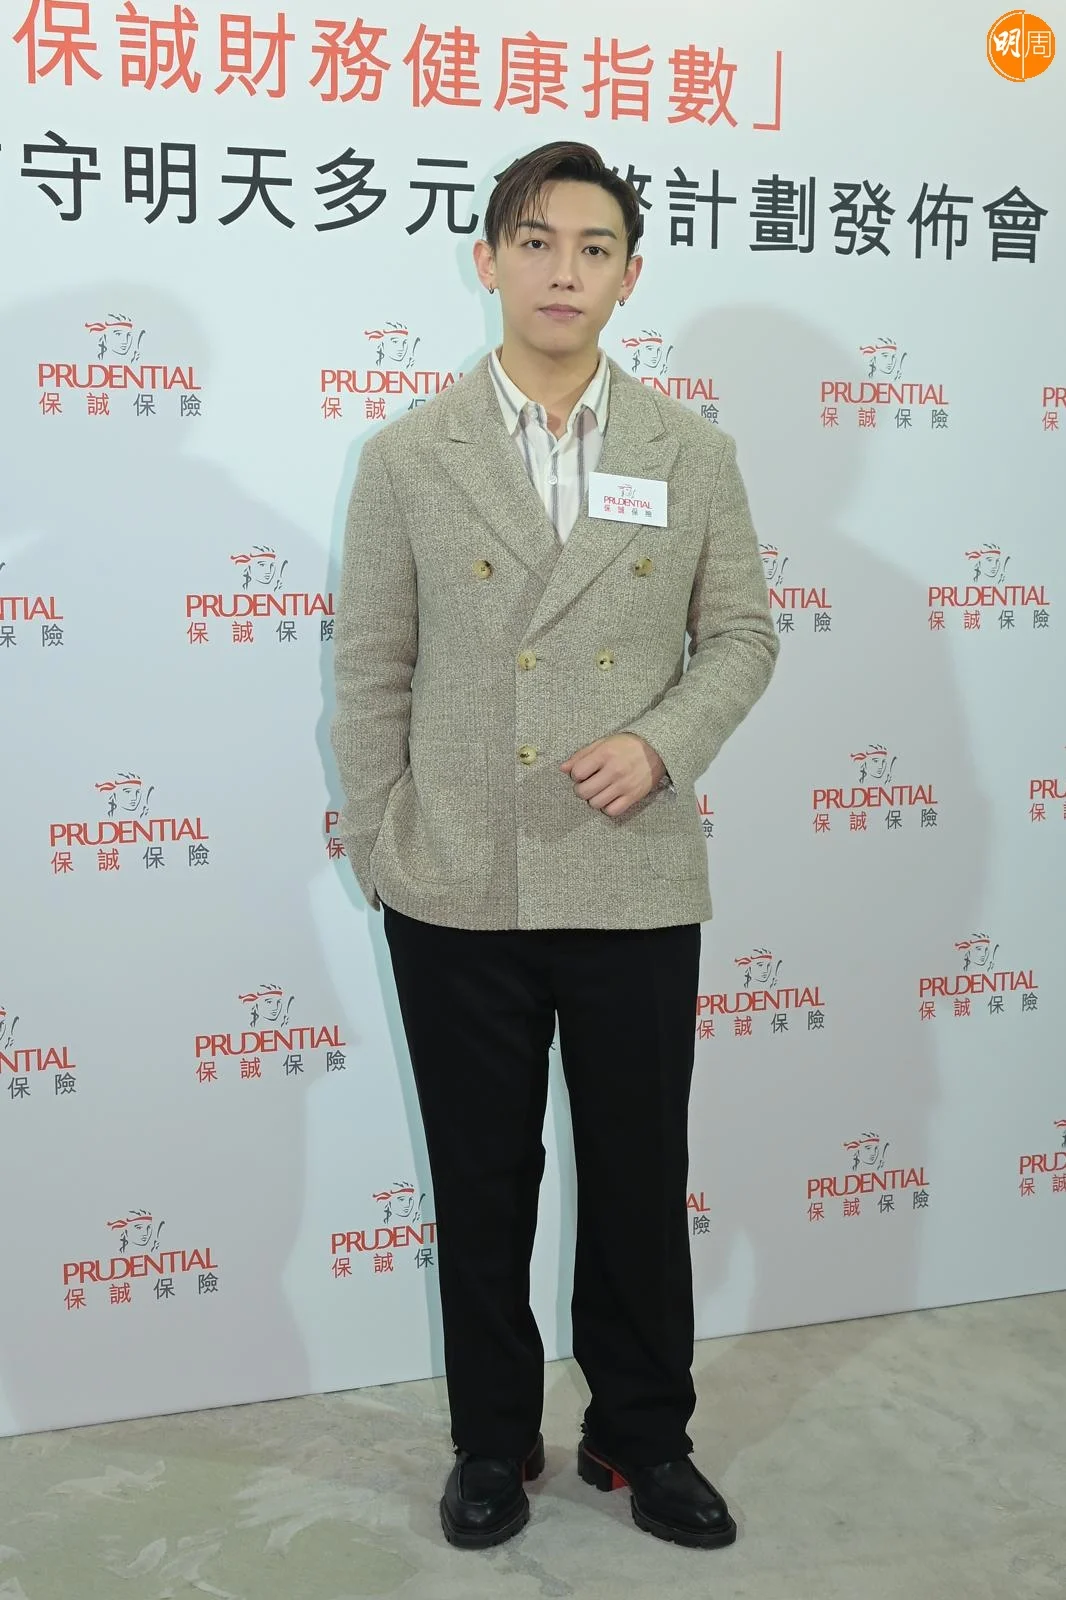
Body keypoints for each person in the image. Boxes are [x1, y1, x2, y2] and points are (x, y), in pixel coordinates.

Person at [330, 140, 778, 1552]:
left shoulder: (690, 453)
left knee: (638, 1179)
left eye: (593, 248)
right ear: (488, 261)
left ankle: (642, 1436)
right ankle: (491, 1439)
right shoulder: (408, 456)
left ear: (630, 276)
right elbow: (371, 669)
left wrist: (661, 742)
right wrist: (384, 842)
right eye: (535, 242)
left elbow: (743, 635)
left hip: (629, 868)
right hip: (455, 878)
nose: (562, 271)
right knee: (482, 1180)